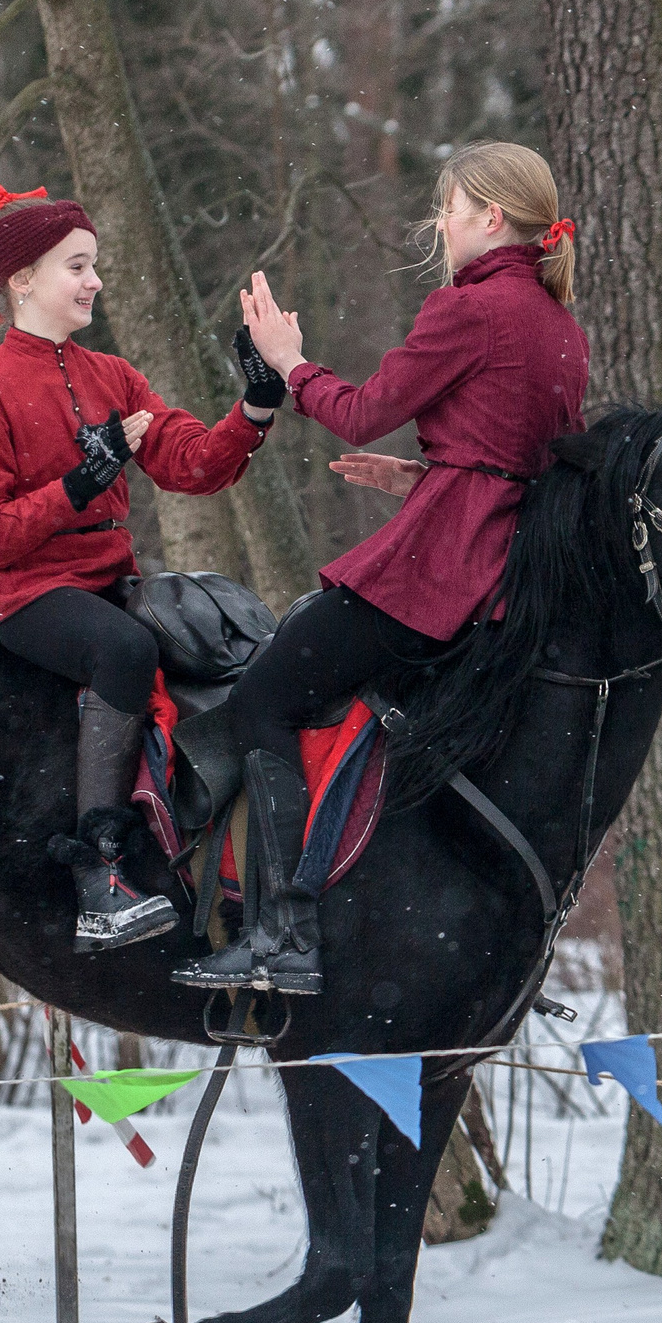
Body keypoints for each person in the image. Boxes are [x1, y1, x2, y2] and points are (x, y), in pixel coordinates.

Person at [177, 142, 588, 995]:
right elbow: (520, 461)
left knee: (265, 694)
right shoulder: (559, 325)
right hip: (506, 579)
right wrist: (423, 479)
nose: (443, 223)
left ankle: (281, 931)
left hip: (435, 577)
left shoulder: (468, 310)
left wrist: (289, 362)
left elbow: (363, 413)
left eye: (451, 207)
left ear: (489, 218)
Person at [0, 179, 288, 953]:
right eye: (77, 265)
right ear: (22, 280)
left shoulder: (113, 376)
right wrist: (80, 483)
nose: (94, 280)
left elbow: (195, 463)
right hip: (37, 597)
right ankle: (98, 877)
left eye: (94, 264)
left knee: (231, 635)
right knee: (125, 649)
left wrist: (257, 402)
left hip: (113, 585)